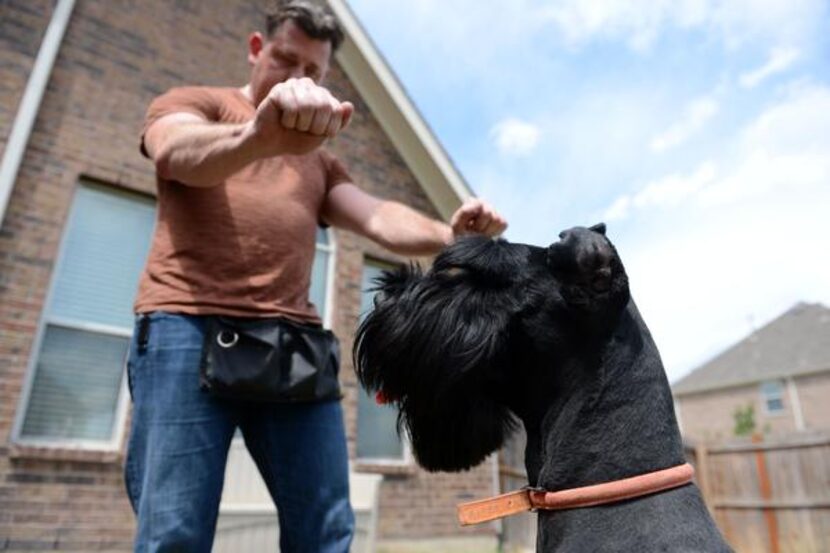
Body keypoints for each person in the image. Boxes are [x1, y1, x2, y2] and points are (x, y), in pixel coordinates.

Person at [124, 2, 508, 552]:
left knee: (326, 533)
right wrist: (259, 136)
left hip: (292, 344)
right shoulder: (197, 103)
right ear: (258, 49)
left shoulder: (318, 160)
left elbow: (376, 215)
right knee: (173, 535)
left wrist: (452, 236)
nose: (298, 79)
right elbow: (175, 153)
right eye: (286, 60)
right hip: (186, 327)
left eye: (313, 72)